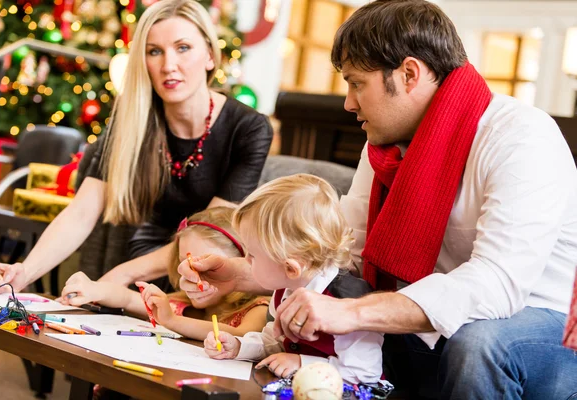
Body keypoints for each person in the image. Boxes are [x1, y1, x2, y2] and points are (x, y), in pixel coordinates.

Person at [178, 1, 577, 399]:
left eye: (356, 83)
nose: (349, 103)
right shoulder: (385, 147)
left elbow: (497, 286)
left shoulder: (521, 137)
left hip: (542, 322)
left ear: (408, 74)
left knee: (475, 344)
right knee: (348, 324)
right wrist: (245, 273)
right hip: (450, 319)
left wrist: (352, 313)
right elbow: (340, 252)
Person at [0, 0, 272, 294]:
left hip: (205, 276)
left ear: (210, 55)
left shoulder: (249, 129)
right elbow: (81, 212)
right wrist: (23, 272)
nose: (168, 65)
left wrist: (119, 276)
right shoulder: (131, 119)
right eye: (154, 51)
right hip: (138, 262)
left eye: (183, 48)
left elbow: (212, 235)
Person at [203, 174, 383, 384]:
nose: (245, 260)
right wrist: (239, 347)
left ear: (290, 267)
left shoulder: (347, 304)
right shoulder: (286, 287)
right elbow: (275, 341)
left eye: (252, 254)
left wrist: (301, 363)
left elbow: (365, 372)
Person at [59, 207, 269, 340]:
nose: (191, 276)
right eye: (183, 265)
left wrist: (173, 321)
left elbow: (244, 337)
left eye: (204, 266)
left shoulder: (257, 309)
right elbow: (127, 298)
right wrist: (94, 289)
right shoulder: (179, 303)